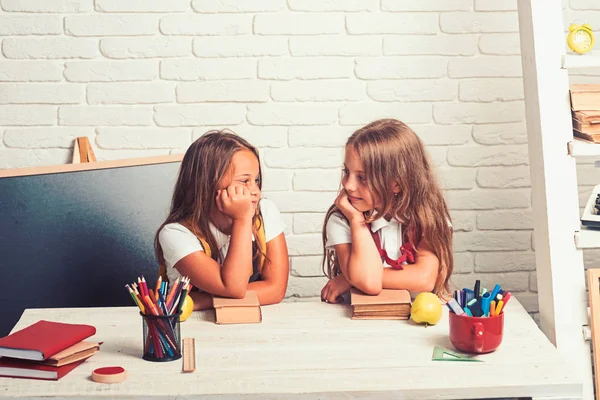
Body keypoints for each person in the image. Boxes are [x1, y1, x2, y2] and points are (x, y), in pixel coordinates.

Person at [321, 119, 453, 304]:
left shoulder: (427, 216)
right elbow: (369, 284)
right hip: (359, 321)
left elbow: (424, 279)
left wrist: (349, 278)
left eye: (362, 178)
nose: (348, 185)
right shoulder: (343, 218)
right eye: (346, 172)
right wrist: (357, 222)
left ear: (396, 184)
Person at [155, 130, 289, 310]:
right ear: (207, 183)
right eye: (244, 181)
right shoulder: (175, 233)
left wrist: (201, 301)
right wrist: (242, 219)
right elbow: (233, 287)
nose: (256, 190)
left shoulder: (265, 212)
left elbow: (275, 290)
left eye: (256, 180)